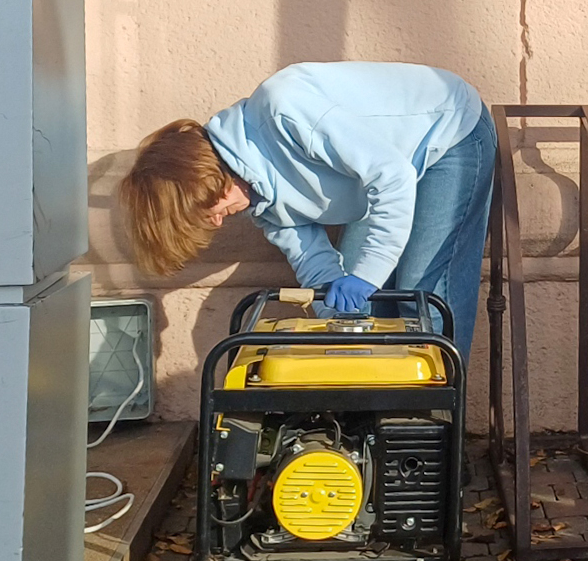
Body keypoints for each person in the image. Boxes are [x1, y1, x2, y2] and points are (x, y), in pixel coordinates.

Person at [119, 61, 496, 364]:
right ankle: (379, 418)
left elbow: (391, 174)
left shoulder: (284, 109)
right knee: (361, 306)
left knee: (423, 297)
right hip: (380, 177)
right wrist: (340, 325)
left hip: (448, 132)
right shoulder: (262, 205)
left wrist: (368, 275)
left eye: (209, 211)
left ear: (206, 178)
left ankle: (435, 424)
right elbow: (314, 262)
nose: (218, 222)